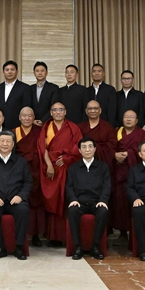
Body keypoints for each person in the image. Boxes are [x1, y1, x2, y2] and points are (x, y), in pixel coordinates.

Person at [0, 130, 33, 260]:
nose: (5, 144)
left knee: (23, 210)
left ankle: (19, 247)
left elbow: (28, 182)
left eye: (8, 141)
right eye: (2, 141)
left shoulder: (21, 162)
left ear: (13, 144)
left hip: (15, 200)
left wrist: (21, 196)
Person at [38, 102, 82, 245]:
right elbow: (42, 148)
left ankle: (66, 236)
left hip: (67, 168)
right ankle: (53, 237)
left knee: (65, 200)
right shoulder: (46, 127)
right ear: (51, 113)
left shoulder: (73, 127)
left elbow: (78, 147)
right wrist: (49, 165)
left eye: (60, 109)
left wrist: (66, 159)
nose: (58, 112)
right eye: (55, 110)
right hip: (51, 169)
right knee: (53, 200)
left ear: (65, 112)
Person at [66, 137, 110, 260]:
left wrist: (103, 200)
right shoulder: (73, 168)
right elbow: (69, 186)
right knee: (72, 211)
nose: (87, 150)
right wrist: (73, 199)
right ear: (79, 150)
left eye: (90, 146)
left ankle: (95, 246)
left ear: (95, 149)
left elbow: (107, 186)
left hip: (96, 202)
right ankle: (78, 247)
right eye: (84, 147)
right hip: (79, 202)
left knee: (103, 211)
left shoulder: (103, 167)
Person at [13, 107, 45, 246]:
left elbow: (43, 149)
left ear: (34, 117)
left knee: (36, 201)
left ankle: (36, 235)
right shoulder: (14, 132)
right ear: (19, 117)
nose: (27, 118)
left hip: (36, 170)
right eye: (24, 116)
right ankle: (21, 234)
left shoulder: (39, 131)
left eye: (30, 116)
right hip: (19, 172)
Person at [114, 110, 145, 238]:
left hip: (136, 173)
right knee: (120, 201)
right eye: (126, 117)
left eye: (131, 117)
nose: (128, 119)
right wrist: (115, 155)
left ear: (137, 120)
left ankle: (135, 233)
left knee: (134, 200)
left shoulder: (142, 134)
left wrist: (129, 153)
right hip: (119, 171)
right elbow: (110, 148)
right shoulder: (116, 132)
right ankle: (122, 233)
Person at [0, 60, 31, 129]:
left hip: (17, 125)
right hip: (0, 126)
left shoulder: (25, 88)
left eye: (12, 69)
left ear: (17, 71)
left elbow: (26, 106)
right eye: (7, 70)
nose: (9, 72)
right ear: (3, 72)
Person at [78, 100, 116, 165]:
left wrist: (95, 148)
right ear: (86, 111)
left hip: (102, 163)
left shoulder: (107, 127)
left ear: (100, 110)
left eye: (95, 108)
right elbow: (75, 144)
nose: (93, 111)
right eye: (90, 109)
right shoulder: (80, 127)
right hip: (83, 162)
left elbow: (112, 145)